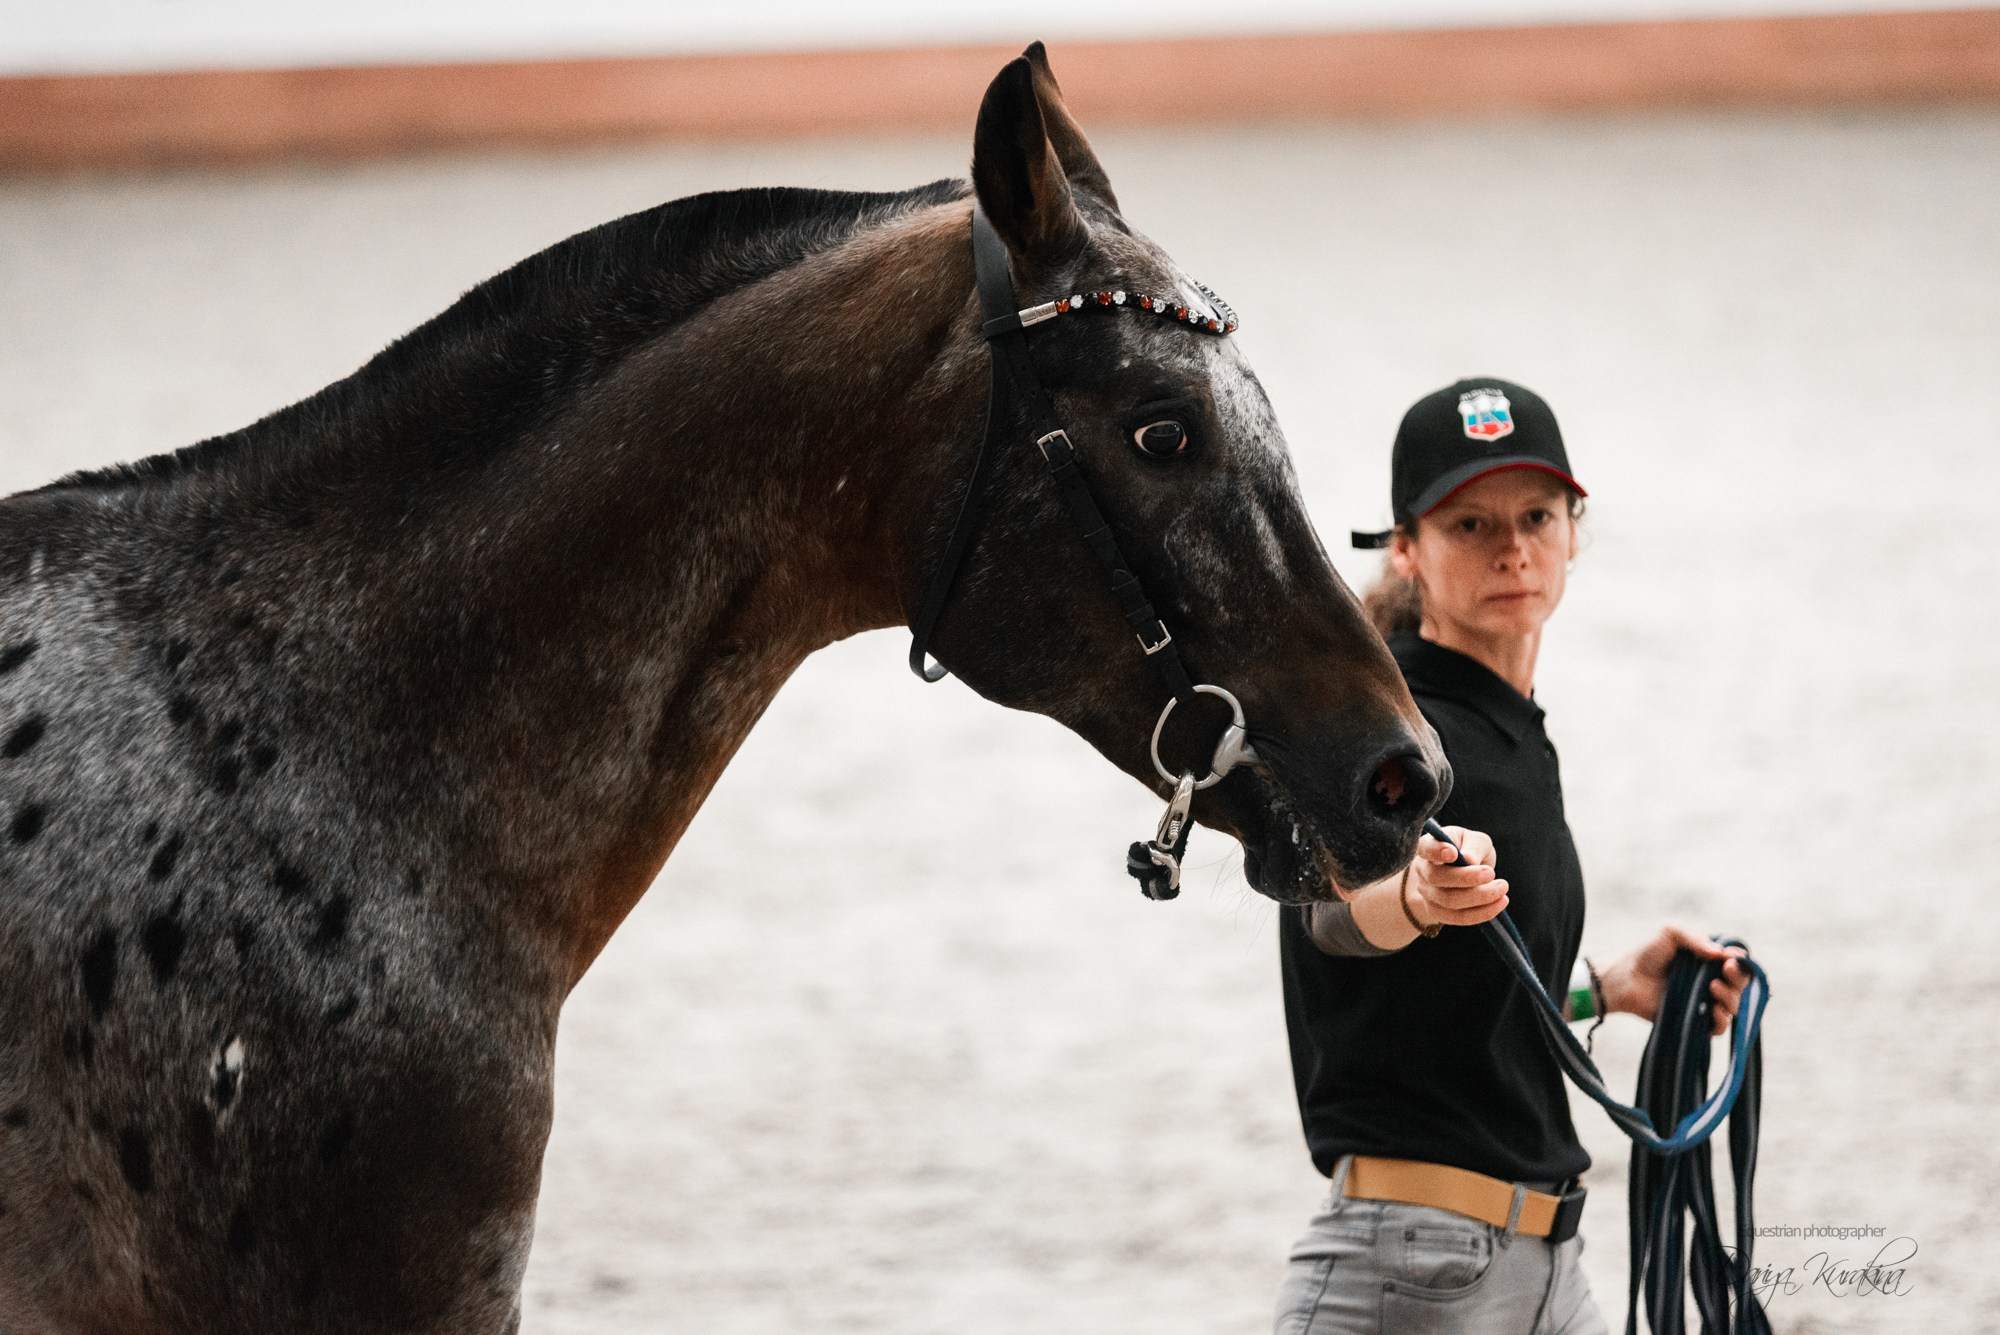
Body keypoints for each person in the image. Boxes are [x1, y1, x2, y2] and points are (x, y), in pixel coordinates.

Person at [1272, 378, 1751, 1334]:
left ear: (1574, 531)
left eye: (1536, 516)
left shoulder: (1508, 732)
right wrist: (1413, 896)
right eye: (1470, 524)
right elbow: (1327, 913)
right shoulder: (1386, 735)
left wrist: (1608, 987)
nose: (1513, 548)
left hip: (1545, 1269)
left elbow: (1459, 1003)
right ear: (1406, 547)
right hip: (1412, 1271)